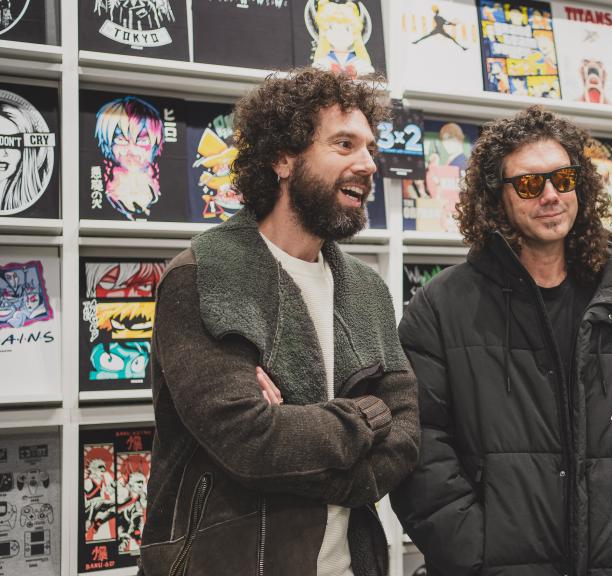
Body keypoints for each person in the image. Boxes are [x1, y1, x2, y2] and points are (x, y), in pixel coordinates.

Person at [392, 105, 612, 575]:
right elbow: (420, 453)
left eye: (564, 178)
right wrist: (476, 556)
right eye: (530, 184)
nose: (552, 195)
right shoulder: (442, 307)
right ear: (495, 198)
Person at [140, 68, 419, 575]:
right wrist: (364, 418)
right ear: (282, 158)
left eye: (370, 148)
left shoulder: (366, 288)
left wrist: (303, 435)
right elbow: (250, 442)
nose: (368, 164)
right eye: (344, 144)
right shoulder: (203, 275)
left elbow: (405, 435)